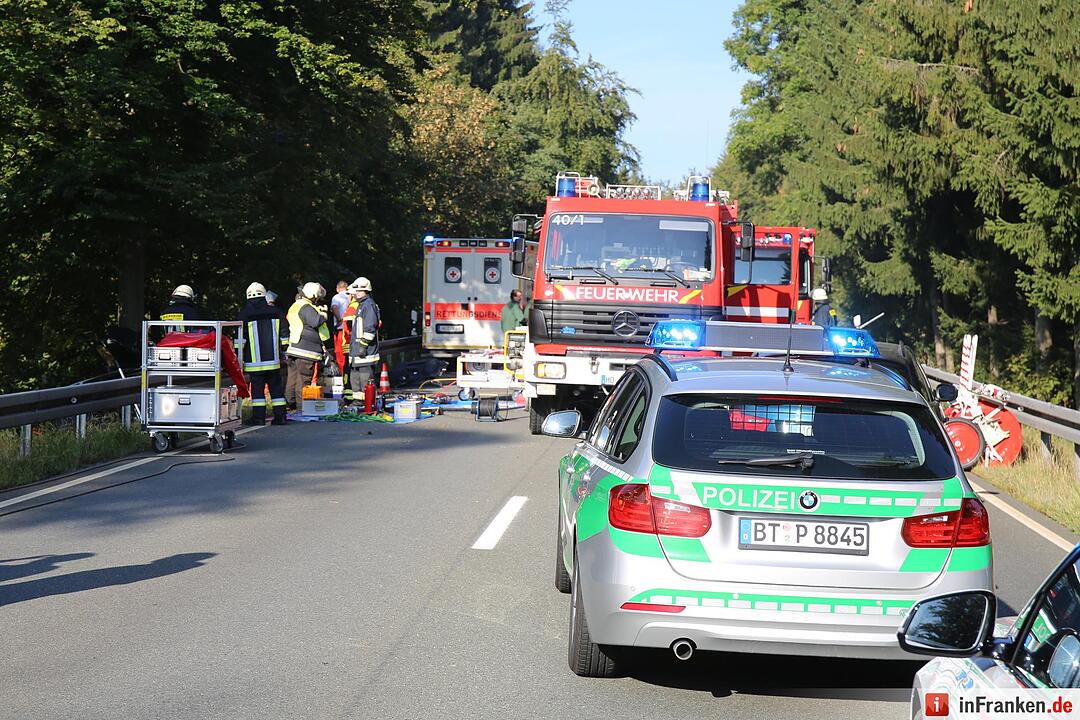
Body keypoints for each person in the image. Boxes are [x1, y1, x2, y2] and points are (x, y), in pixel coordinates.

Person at [238, 282, 287, 425]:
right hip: (273, 360)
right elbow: (285, 333)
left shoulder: (244, 314)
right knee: (277, 390)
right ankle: (281, 417)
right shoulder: (276, 311)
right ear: (264, 295)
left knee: (258, 393)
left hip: (254, 363)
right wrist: (284, 348)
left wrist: (238, 355)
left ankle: (258, 418)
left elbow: (239, 340)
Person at [285, 282, 331, 409]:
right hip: (306, 350)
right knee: (303, 378)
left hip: (294, 346)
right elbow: (315, 321)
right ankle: (301, 406)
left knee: (292, 378)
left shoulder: (296, 305)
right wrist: (323, 314)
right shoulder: (306, 307)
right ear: (313, 295)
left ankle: (290, 403)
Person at [342, 277, 381, 404]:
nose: (357, 293)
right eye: (356, 291)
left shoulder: (368, 305)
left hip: (365, 351)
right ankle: (358, 402)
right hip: (357, 350)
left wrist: (363, 345)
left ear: (366, 291)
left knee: (365, 378)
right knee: (355, 378)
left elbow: (370, 328)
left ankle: (368, 403)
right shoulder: (361, 305)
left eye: (360, 291)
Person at [330, 280, 350, 375]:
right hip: (351, 329)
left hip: (340, 329)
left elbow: (334, 307)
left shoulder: (336, 297)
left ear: (337, 288)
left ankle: (343, 376)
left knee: (340, 353)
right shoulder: (351, 297)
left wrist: (339, 319)